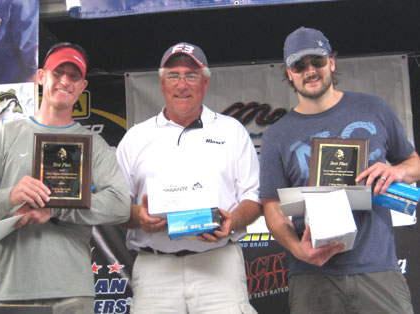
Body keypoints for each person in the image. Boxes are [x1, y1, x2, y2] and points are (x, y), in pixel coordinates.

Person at [259, 26, 420, 314]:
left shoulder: (374, 108)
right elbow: (271, 205)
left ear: (331, 63)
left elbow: (414, 163)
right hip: (311, 275)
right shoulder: (276, 136)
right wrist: (298, 250)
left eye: (317, 61)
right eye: (299, 65)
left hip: (377, 268)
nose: (310, 71)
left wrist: (398, 172)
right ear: (289, 73)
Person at [0, 42, 130, 313]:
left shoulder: (93, 144)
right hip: (6, 291)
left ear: (82, 86)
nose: (65, 81)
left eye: (74, 76)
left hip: (69, 293)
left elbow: (120, 204)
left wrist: (56, 207)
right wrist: (11, 195)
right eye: (58, 72)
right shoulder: (4, 136)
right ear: (42, 76)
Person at [116, 42, 261, 314]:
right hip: (155, 270)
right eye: (173, 75)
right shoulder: (135, 138)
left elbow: (252, 198)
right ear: (162, 84)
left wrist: (234, 221)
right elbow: (118, 206)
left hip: (219, 266)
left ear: (205, 83)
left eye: (191, 75)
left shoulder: (232, 131)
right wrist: (139, 218)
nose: (182, 85)